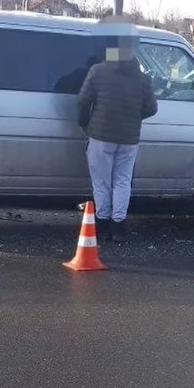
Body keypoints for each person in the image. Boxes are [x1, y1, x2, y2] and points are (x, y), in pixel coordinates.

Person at [77, 38, 158, 243]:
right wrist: (133, 118)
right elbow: (151, 108)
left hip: (100, 136)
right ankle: (118, 227)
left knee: (101, 182)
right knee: (122, 181)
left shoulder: (97, 71)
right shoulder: (143, 79)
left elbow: (83, 100)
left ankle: (102, 224)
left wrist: (85, 124)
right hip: (129, 139)